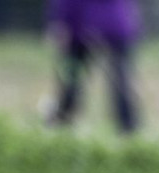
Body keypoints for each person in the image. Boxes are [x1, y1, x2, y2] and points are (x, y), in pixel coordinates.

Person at [45, 0, 142, 134]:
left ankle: (60, 124)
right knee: (118, 83)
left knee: (72, 80)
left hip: (83, 25)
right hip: (111, 25)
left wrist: (60, 21)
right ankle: (130, 131)